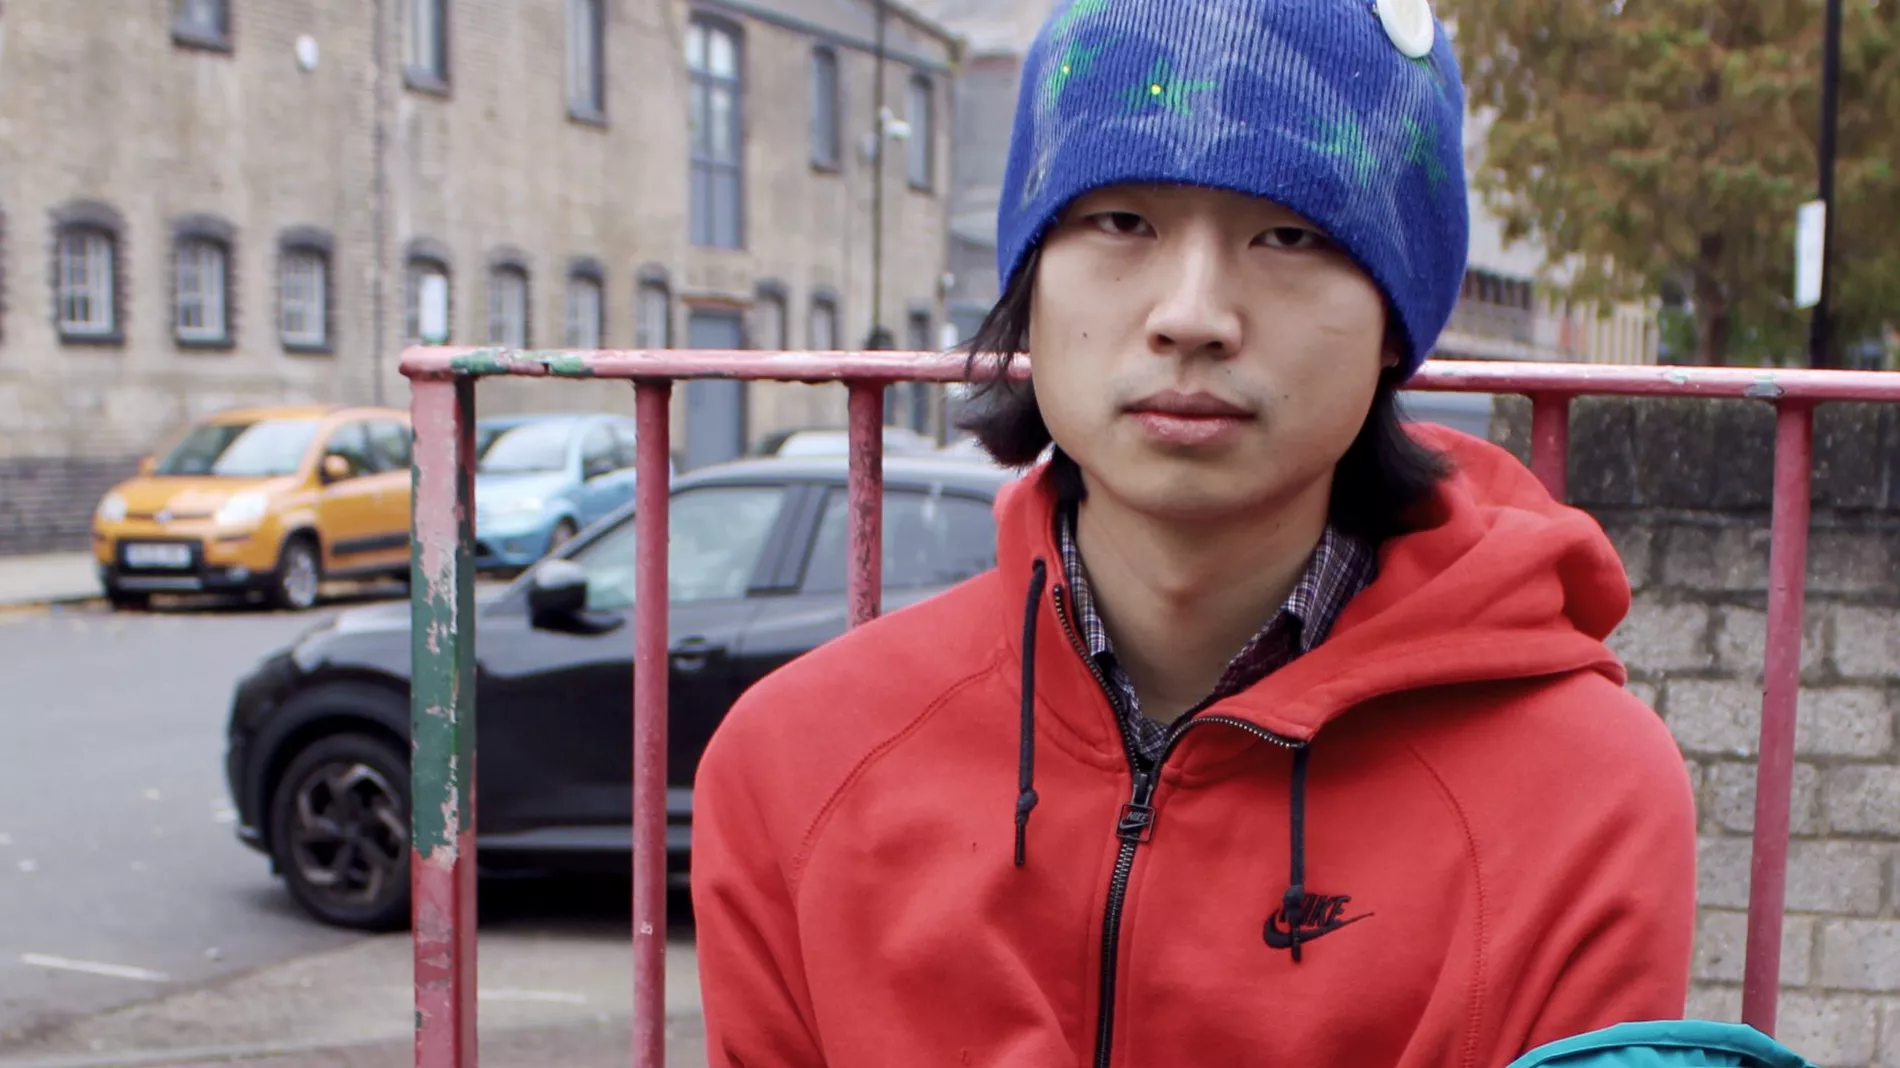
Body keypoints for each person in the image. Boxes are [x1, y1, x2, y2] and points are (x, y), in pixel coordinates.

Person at [690, 0, 1698, 1064]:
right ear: (1029, 285)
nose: (1193, 312)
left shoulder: (1580, 798)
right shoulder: (796, 765)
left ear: (1396, 325)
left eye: (1290, 233)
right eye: (1121, 220)